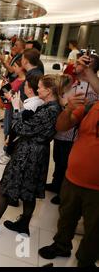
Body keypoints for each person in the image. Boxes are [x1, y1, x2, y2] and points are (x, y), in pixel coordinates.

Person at [0, 74, 63, 236]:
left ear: (48, 91)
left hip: (28, 152)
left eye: (41, 87)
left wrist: (15, 108)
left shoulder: (50, 110)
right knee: (29, 191)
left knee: (4, 187)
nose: (38, 89)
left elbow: (21, 128)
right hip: (38, 151)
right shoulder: (53, 107)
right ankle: (23, 224)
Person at [39, 55, 99, 268]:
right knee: (66, 218)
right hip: (73, 179)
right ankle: (61, 245)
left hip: (96, 189)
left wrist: (89, 74)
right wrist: (67, 109)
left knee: (94, 232)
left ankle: (85, 262)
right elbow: (62, 127)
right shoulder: (92, 106)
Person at [47, 54, 99, 204]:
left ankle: (62, 193)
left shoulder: (92, 91)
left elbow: (78, 110)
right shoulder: (76, 83)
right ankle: (56, 184)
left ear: (89, 67)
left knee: (65, 163)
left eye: (79, 63)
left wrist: (64, 103)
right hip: (61, 131)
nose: (74, 65)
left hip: (72, 134)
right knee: (58, 160)